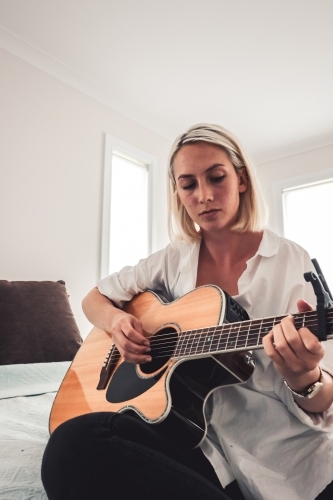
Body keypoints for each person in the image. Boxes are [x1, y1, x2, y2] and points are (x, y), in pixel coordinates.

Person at [42, 124, 333, 500]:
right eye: (188, 184)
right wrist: (116, 323)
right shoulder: (173, 259)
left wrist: (304, 376)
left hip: (289, 460)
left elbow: (325, 402)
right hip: (195, 446)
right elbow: (93, 298)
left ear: (241, 180)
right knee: (71, 446)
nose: (205, 196)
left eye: (216, 178)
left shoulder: (292, 260)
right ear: (178, 192)